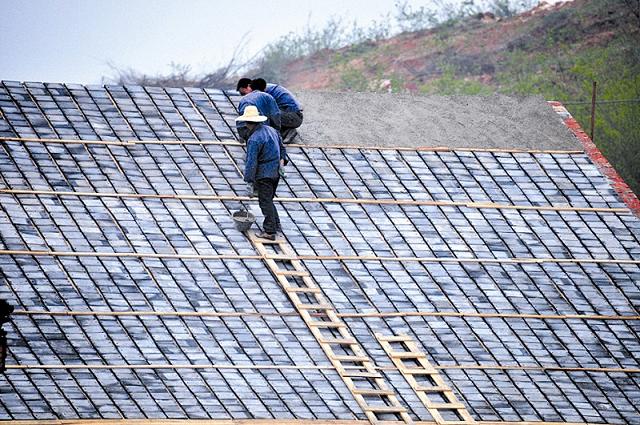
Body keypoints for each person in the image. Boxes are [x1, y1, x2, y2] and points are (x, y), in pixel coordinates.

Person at [235, 105, 287, 240]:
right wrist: (282, 164)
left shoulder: (254, 139)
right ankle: (276, 224)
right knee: (269, 199)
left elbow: (251, 162)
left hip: (265, 174)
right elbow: (282, 149)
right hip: (276, 172)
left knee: (264, 201)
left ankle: (269, 231)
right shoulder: (272, 131)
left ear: (247, 123)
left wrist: (249, 181)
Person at [240, 77, 303, 143]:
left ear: (249, 87)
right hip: (291, 116)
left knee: (263, 115)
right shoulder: (264, 88)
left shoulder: (264, 93)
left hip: (294, 117)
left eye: (246, 91)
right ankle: (285, 132)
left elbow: (271, 115)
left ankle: (288, 131)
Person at [236, 78, 281, 142]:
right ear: (264, 88)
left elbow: (241, 121)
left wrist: (242, 136)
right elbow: (275, 116)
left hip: (248, 134)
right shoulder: (268, 97)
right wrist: (276, 134)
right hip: (264, 134)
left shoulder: (244, 99)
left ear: (250, 87)